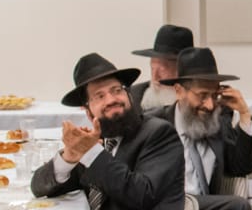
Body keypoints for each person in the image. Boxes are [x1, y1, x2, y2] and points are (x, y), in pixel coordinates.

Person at [32, 53, 185, 210]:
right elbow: (39, 188)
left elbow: (142, 196)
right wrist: (68, 158)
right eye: (100, 96)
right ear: (88, 112)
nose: (111, 100)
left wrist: (91, 152)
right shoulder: (99, 142)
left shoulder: (159, 133)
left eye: (116, 90)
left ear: (129, 96)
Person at [148, 48, 252, 210]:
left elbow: (242, 167)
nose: (210, 105)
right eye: (202, 95)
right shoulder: (154, 125)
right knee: (237, 205)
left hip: (205, 205)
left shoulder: (217, 123)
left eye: (214, 95)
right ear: (179, 91)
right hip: (167, 205)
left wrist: (244, 114)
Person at [130, 24, 194, 112]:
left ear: (182, 71)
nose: (155, 77)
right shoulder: (134, 97)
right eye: (152, 68)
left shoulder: (198, 101)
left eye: (162, 70)